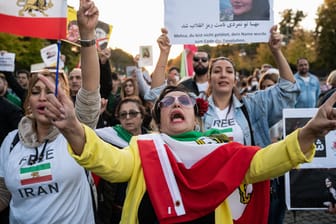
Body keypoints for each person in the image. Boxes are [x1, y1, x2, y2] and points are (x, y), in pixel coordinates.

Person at [39, 66, 336, 224]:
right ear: (159, 118)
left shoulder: (220, 146)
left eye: (184, 101)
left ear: (196, 118)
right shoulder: (145, 146)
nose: (176, 103)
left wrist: (309, 132)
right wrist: (75, 131)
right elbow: (111, 163)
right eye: (168, 102)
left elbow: (261, 163)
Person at [0, 1, 100, 223]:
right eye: (36, 92)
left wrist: (87, 33)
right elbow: (4, 191)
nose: (43, 97)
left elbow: (91, 90)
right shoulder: (11, 141)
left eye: (51, 92)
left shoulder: (77, 130)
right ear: (28, 101)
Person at [203, 25, 299, 224]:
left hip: (252, 188)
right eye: (217, 71)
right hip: (213, 191)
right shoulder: (196, 110)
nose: (223, 75)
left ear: (235, 79)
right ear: (209, 78)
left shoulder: (253, 105)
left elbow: (289, 90)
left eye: (229, 71)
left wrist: (276, 51)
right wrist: (164, 53)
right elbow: (157, 98)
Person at [95, 97, 149, 224]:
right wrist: (97, 115)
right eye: (123, 114)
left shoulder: (153, 140)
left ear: (142, 116)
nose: (128, 117)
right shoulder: (109, 138)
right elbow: (89, 135)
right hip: (117, 209)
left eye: (133, 113)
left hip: (147, 208)